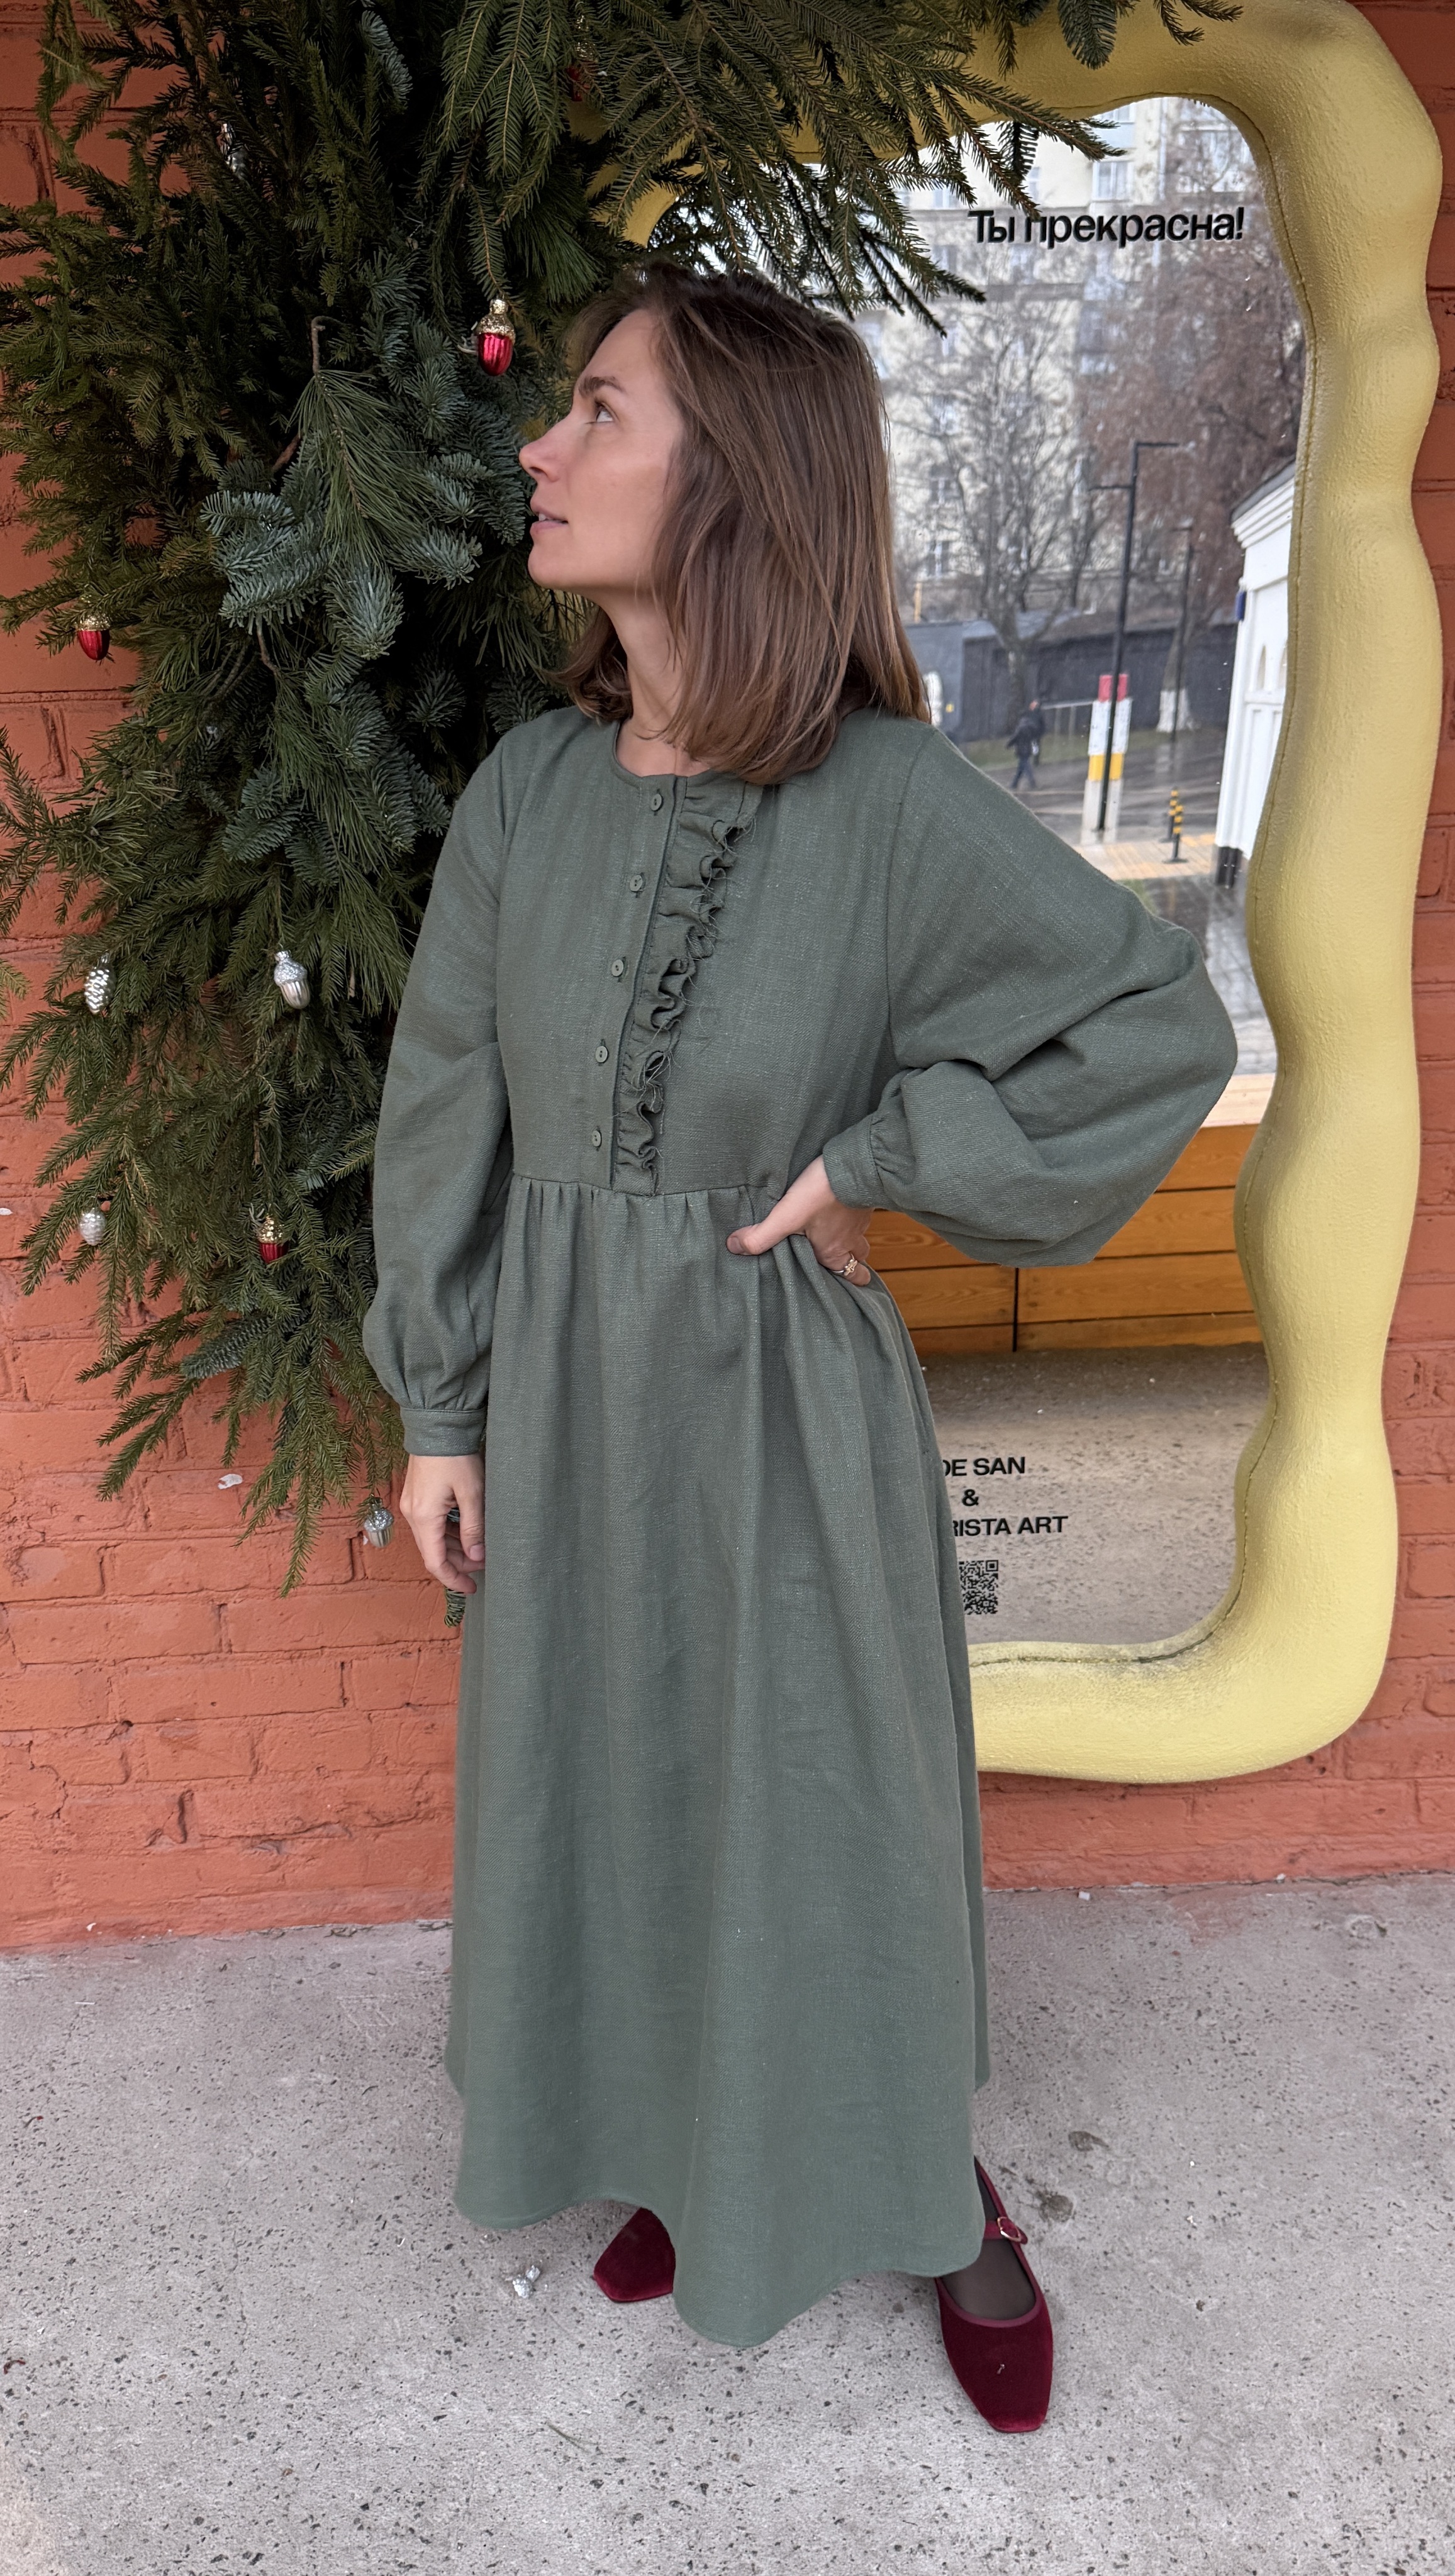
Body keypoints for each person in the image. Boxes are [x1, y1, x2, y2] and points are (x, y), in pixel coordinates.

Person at [362, 265, 1236, 2432]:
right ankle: (695, 2151)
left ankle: (940, 2195)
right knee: (619, 1793)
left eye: (598, 411)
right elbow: (445, 1105)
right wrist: (443, 1407)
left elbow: (1153, 1024)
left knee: (822, 1820)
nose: (541, 448)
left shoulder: (891, 805)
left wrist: (887, 1159)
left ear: (736, 480)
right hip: (575, 1413)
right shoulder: (526, 797)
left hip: (781, 1412)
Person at [1008, 700, 1044, 792]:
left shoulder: (1021, 727)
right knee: (1021, 767)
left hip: (1021, 749)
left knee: (1026, 767)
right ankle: (1014, 784)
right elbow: (1036, 733)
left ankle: (1032, 783)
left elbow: (1015, 737)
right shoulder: (1031, 726)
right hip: (1028, 748)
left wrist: (1009, 745)